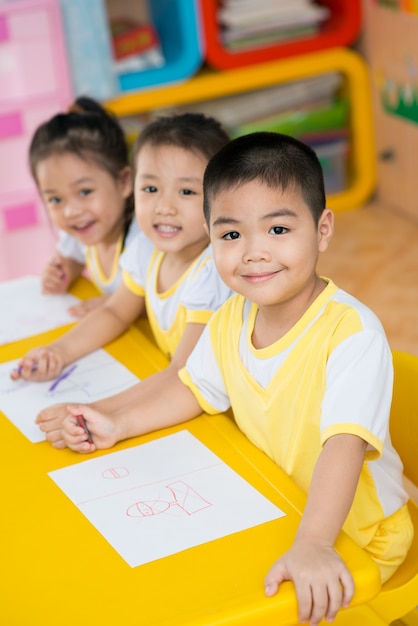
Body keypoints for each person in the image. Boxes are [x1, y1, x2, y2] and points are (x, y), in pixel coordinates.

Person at [59, 132, 413, 626]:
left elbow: (344, 446)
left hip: (358, 534)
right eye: (230, 235)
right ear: (210, 236)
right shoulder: (231, 319)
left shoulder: (351, 334)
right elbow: (191, 388)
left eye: (278, 230)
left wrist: (313, 544)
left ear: (323, 228)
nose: (253, 252)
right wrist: (118, 423)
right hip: (280, 506)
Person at [15, 112, 233, 446]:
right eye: (150, 188)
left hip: (226, 421)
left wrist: (94, 412)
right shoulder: (148, 249)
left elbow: (183, 377)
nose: (163, 206)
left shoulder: (213, 273)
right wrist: (57, 351)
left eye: (186, 192)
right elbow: (114, 312)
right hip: (182, 400)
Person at [30, 96, 138, 317]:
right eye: (55, 199)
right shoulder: (82, 230)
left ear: (124, 181)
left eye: (85, 192)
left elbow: (169, 299)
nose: (72, 212)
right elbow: (71, 258)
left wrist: (118, 306)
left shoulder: (143, 239)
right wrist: (62, 272)